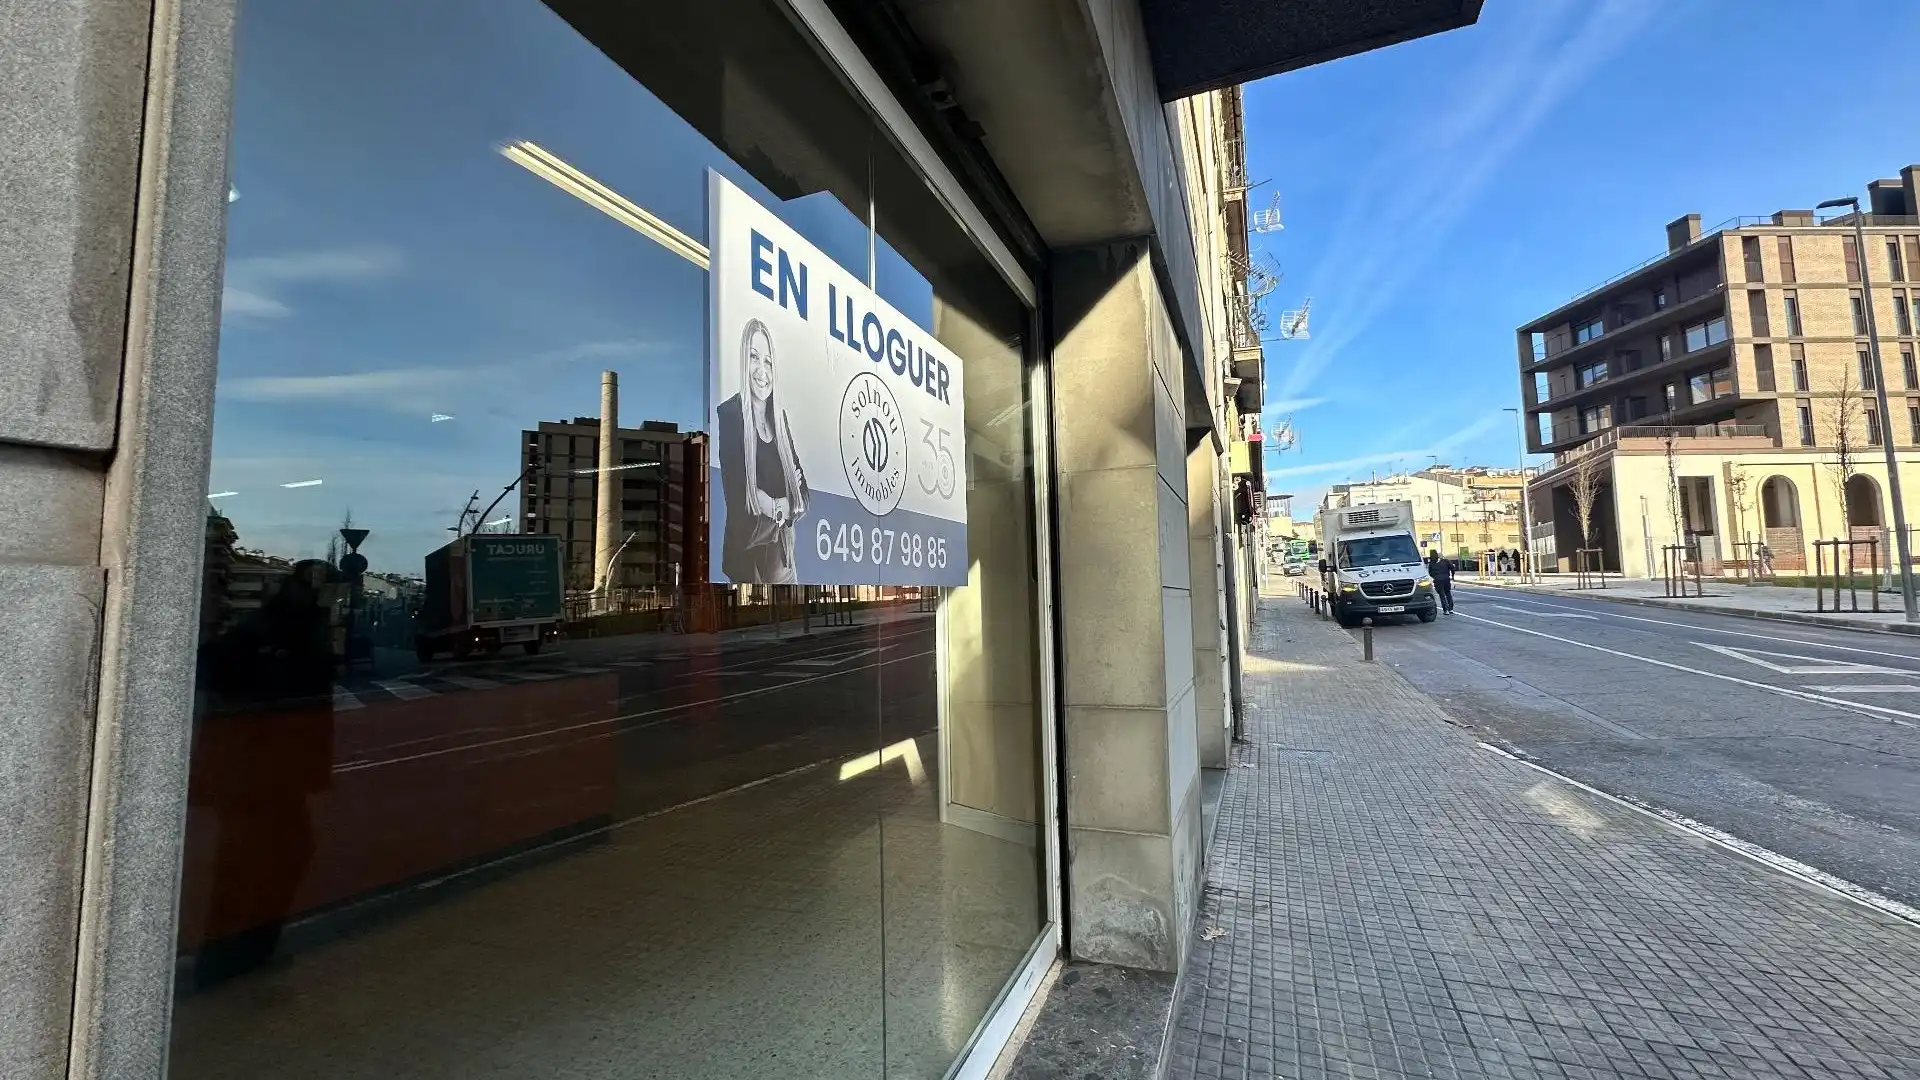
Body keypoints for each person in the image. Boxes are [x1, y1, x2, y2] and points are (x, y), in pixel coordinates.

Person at [717, 318, 809, 583]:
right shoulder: (731, 414)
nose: (762, 370)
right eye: (754, 357)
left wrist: (772, 504)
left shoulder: (780, 419)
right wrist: (785, 505)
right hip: (749, 566)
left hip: (784, 562)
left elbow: (803, 495)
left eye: (768, 361)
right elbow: (738, 501)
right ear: (744, 362)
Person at [1427, 548, 1456, 615]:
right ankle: (1451, 609)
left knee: (1442, 595)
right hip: (1446, 579)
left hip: (1438, 581)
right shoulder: (1445, 561)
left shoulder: (1431, 564)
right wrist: (1452, 576)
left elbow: (1430, 573)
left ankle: (1446, 610)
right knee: (1448, 593)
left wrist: (1435, 577)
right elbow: (1452, 567)